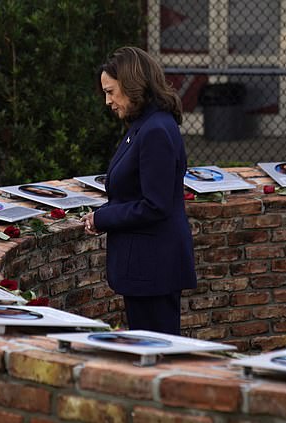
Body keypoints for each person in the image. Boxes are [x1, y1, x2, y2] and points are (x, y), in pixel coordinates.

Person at [80, 46, 197, 335]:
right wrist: (102, 213)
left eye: (110, 91)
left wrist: (102, 219)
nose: (107, 101)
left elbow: (155, 205)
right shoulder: (144, 125)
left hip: (153, 268)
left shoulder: (155, 130)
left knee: (158, 354)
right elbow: (132, 194)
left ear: (132, 85)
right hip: (147, 267)